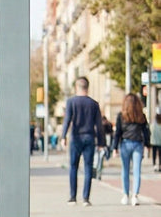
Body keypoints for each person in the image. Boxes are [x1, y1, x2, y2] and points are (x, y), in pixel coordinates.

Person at [60, 76, 104, 206]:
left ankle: (73, 197)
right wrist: (101, 142)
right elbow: (99, 125)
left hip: (76, 137)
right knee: (88, 167)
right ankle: (86, 198)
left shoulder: (71, 102)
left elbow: (67, 120)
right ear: (87, 88)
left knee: (73, 166)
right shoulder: (94, 104)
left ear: (76, 87)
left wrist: (63, 137)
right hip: (89, 137)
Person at [112, 93, 150, 206]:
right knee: (137, 170)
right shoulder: (141, 116)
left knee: (125, 170)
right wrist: (147, 144)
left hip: (125, 144)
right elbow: (146, 131)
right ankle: (135, 196)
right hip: (138, 144)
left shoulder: (121, 116)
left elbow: (117, 132)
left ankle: (125, 195)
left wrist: (114, 147)